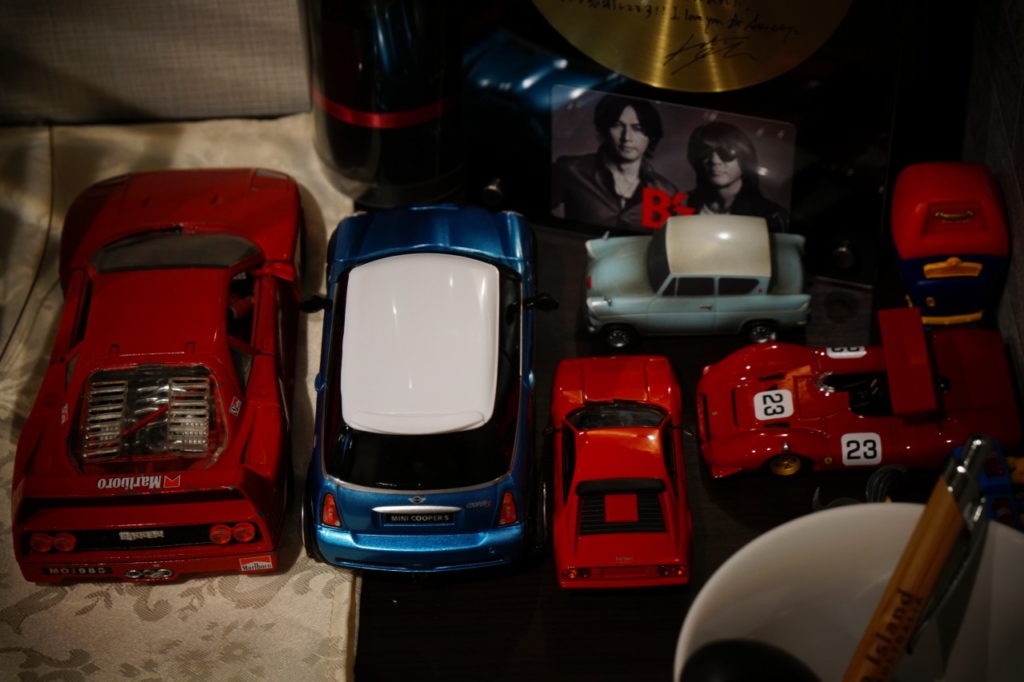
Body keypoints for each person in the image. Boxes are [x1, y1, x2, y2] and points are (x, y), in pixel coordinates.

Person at [551, 94, 679, 229]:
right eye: (617, 125)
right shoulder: (571, 170)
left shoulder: (666, 192)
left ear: (651, 136)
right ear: (604, 130)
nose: (627, 137)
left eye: (637, 128)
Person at [685, 121, 789, 232]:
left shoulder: (772, 216)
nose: (715, 160)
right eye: (705, 152)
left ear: (744, 157)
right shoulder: (681, 204)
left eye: (726, 152)